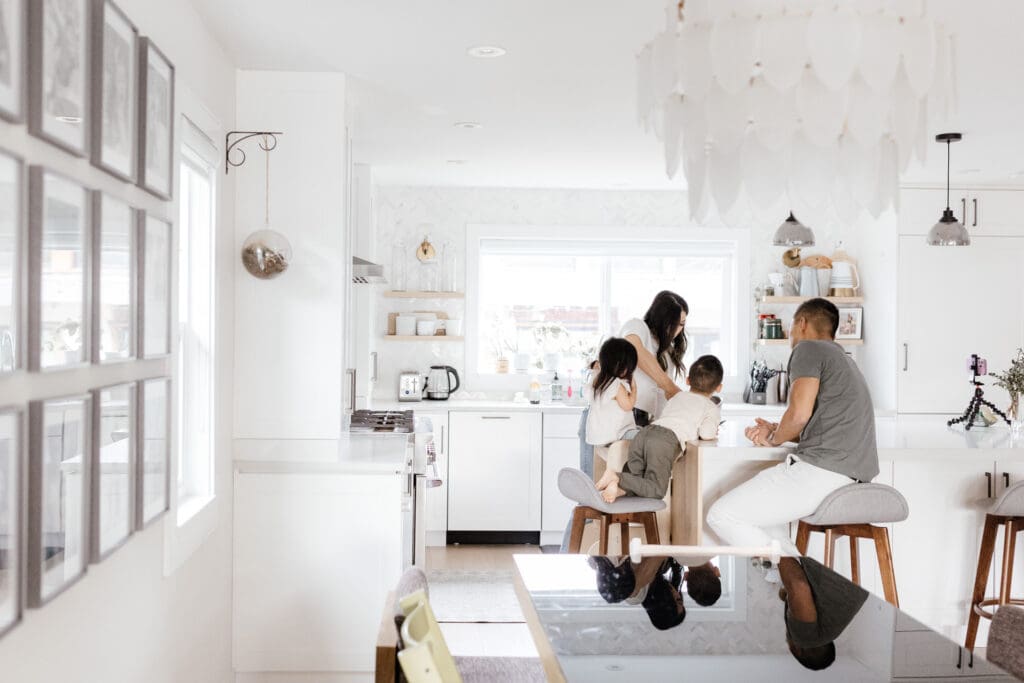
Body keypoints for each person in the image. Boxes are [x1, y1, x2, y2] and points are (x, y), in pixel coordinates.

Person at [706, 298, 879, 557]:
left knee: (721, 516)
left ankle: (799, 576)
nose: (791, 335)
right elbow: (816, 421)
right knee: (772, 528)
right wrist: (777, 428)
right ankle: (798, 585)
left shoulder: (809, 349)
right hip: (849, 475)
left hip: (823, 472)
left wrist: (774, 437)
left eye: (791, 327)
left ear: (802, 323)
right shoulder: (844, 360)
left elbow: (798, 415)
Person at [595, 355, 723, 502]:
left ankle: (616, 487)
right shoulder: (710, 407)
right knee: (656, 489)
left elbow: (666, 416)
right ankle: (616, 476)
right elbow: (706, 434)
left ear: (688, 380)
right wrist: (713, 430)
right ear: (719, 387)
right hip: (664, 441)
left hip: (645, 433)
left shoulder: (678, 396)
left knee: (635, 480)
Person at [778, 556, 868, 670]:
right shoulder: (804, 639)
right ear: (797, 650)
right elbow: (798, 585)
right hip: (827, 551)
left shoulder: (832, 628)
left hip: (858, 555)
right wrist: (775, 552)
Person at [620, 290, 689, 425]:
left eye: (681, 324)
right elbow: (634, 349)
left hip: (650, 422)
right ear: (660, 318)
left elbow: (663, 398)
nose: (677, 330)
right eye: (673, 324)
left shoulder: (667, 352)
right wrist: (672, 389)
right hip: (625, 417)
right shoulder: (637, 326)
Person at [584, 338, 639, 447]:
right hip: (617, 435)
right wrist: (634, 389)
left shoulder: (596, 380)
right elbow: (628, 405)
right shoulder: (616, 385)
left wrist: (596, 365)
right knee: (644, 436)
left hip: (598, 437)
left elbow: (594, 367)